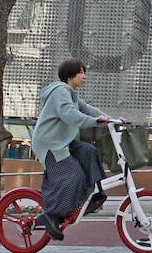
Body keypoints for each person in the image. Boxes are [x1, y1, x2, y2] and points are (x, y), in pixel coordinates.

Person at [31, 59, 109, 240]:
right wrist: (93, 122)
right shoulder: (60, 91)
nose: (84, 76)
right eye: (81, 72)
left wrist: (112, 120)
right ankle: (50, 214)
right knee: (73, 175)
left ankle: (93, 195)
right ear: (70, 75)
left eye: (84, 72)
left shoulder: (71, 94)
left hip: (64, 142)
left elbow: (88, 109)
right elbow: (69, 115)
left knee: (89, 152)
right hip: (51, 144)